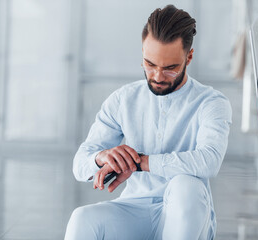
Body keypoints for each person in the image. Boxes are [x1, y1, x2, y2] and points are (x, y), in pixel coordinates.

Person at [64, 4, 232, 240]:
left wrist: (140, 162)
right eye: (150, 64)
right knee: (82, 218)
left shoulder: (211, 103)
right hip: (135, 209)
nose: (157, 77)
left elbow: (209, 161)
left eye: (170, 68)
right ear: (142, 51)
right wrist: (102, 157)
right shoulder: (123, 99)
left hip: (187, 211)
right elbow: (80, 165)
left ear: (189, 57)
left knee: (186, 186)